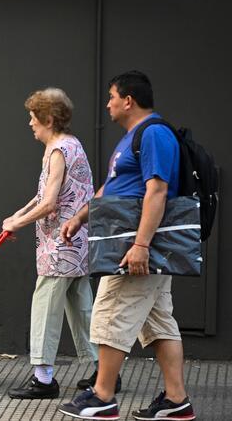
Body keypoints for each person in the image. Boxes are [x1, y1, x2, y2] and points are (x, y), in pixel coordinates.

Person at [58, 71, 195, 420]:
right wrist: (81, 217)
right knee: (159, 323)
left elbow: (158, 190)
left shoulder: (154, 135)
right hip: (132, 244)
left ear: (128, 100)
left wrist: (141, 245)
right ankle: (176, 401)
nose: (108, 104)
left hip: (136, 248)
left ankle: (102, 396)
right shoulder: (133, 138)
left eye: (112, 97)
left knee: (110, 313)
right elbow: (113, 187)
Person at [1, 88, 99, 399]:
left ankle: (43, 379)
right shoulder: (68, 145)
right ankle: (105, 371)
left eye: (33, 118)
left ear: (49, 119)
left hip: (60, 246)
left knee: (45, 306)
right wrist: (18, 213)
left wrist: (18, 222)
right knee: (81, 307)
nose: (30, 123)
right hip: (76, 243)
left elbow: (49, 203)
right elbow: (42, 196)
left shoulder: (58, 151)